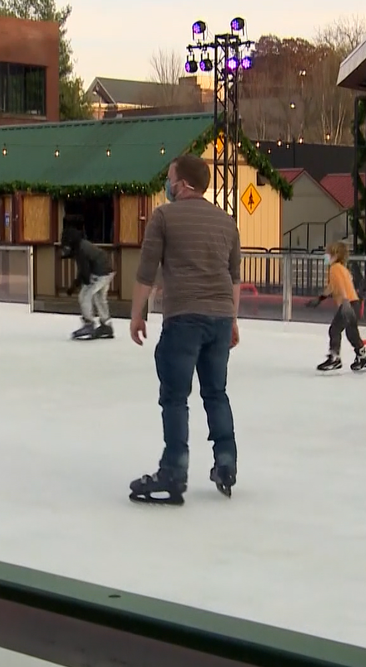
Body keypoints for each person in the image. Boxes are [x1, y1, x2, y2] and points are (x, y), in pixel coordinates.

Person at [128, 154, 240, 505]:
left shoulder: (163, 216)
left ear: (182, 183)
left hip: (184, 318)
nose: (167, 184)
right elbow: (234, 278)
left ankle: (174, 471)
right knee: (215, 392)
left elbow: (146, 271)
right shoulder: (227, 222)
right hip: (220, 318)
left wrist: (137, 314)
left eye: (169, 177)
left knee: (175, 397)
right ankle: (226, 462)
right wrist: (233, 319)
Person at [308, 241, 366, 372]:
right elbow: (332, 287)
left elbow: (342, 288)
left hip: (347, 303)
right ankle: (363, 357)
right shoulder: (342, 269)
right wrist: (320, 298)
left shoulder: (335, 268)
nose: (325, 255)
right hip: (354, 303)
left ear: (335, 254)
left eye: (327, 253)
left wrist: (344, 302)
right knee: (352, 333)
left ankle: (334, 357)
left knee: (335, 329)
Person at [60, 225, 115, 340]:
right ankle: (106, 325)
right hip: (108, 270)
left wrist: (75, 286)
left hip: (100, 273)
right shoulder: (82, 245)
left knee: (85, 295)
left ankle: (88, 324)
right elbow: (85, 269)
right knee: (99, 298)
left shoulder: (80, 250)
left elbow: (84, 272)